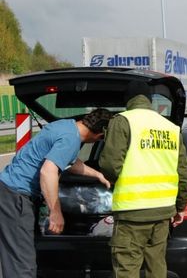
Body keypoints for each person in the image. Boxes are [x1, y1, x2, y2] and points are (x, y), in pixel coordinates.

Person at [0, 108, 112, 278]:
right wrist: (55, 212)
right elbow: (48, 171)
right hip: (17, 198)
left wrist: (97, 174)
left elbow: (67, 160)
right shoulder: (71, 139)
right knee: (22, 263)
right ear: (99, 136)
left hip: (8, 191)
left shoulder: (66, 127)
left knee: (12, 256)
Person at [99, 81, 187, 278]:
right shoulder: (171, 128)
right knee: (157, 269)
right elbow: (184, 173)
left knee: (127, 269)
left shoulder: (123, 121)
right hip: (162, 214)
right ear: (150, 101)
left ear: (128, 101)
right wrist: (180, 207)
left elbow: (110, 165)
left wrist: (110, 180)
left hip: (132, 214)